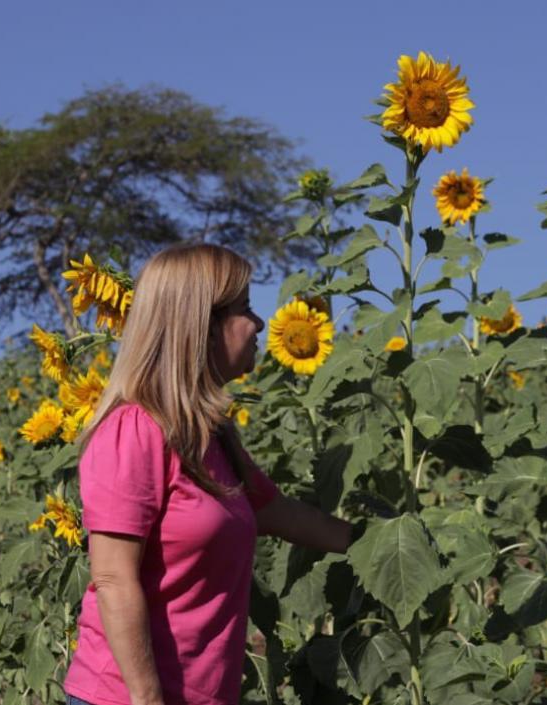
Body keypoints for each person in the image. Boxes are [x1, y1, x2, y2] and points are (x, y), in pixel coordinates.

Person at [63, 243, 354, 705]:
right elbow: (114, 578)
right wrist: (148, 699)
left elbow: (275, 510)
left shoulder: (207, 435)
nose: (259, 324)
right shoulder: (134, 430)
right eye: (245, 309)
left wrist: (376, 543)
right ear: (200, 325)